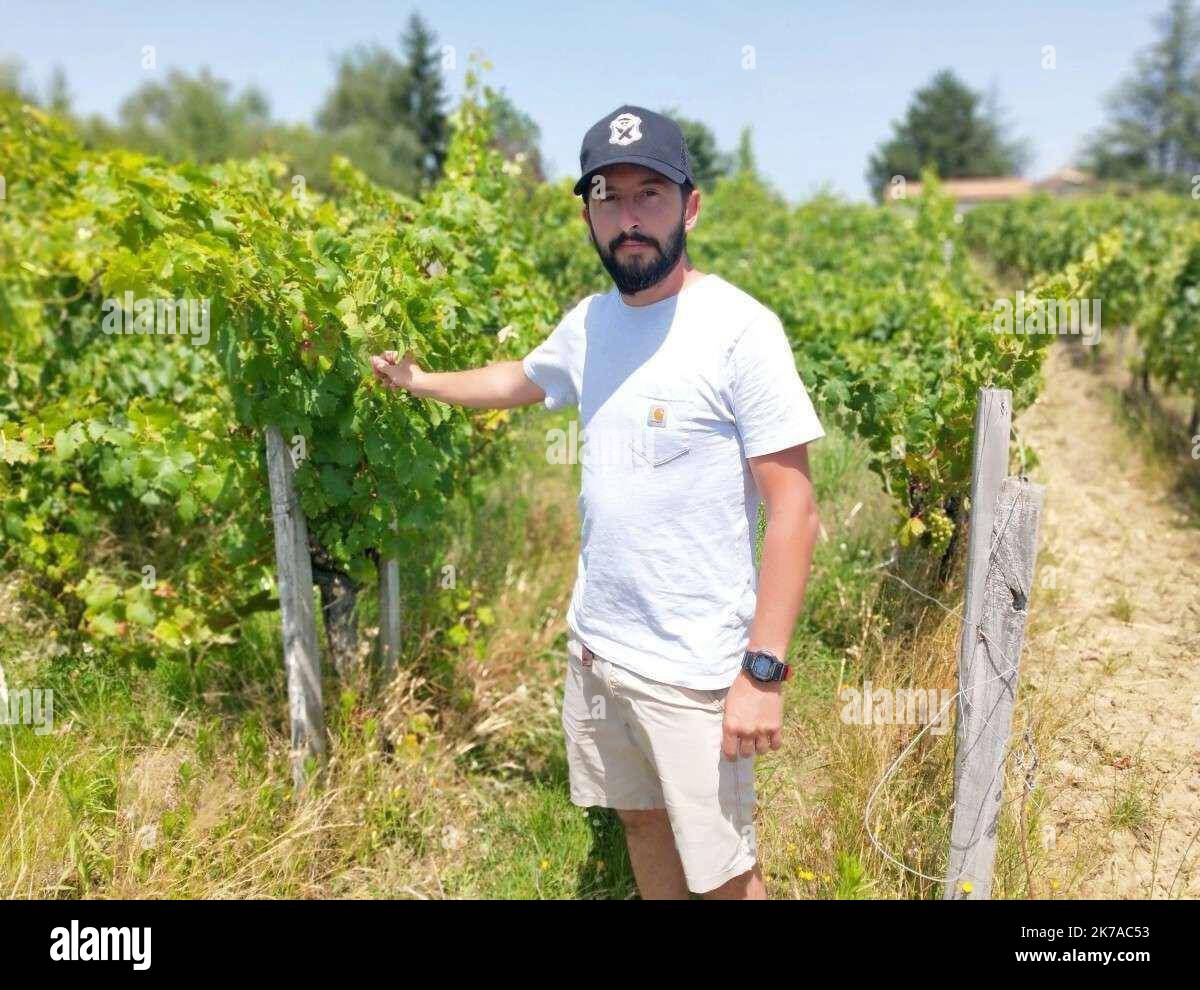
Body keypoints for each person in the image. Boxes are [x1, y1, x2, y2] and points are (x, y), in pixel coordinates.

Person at [370, 105, 823, 900]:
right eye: (607, 199)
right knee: (641, 823)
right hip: (599, 649)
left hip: (695, 670)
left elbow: (795, 511)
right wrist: (422, 383)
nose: (628, 218)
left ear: (690, 205)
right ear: (588, 214)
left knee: (724, 873)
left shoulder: (740, 331)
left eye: (649, 194)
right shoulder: (590, 323)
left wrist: (763, 672)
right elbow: (519, 379)